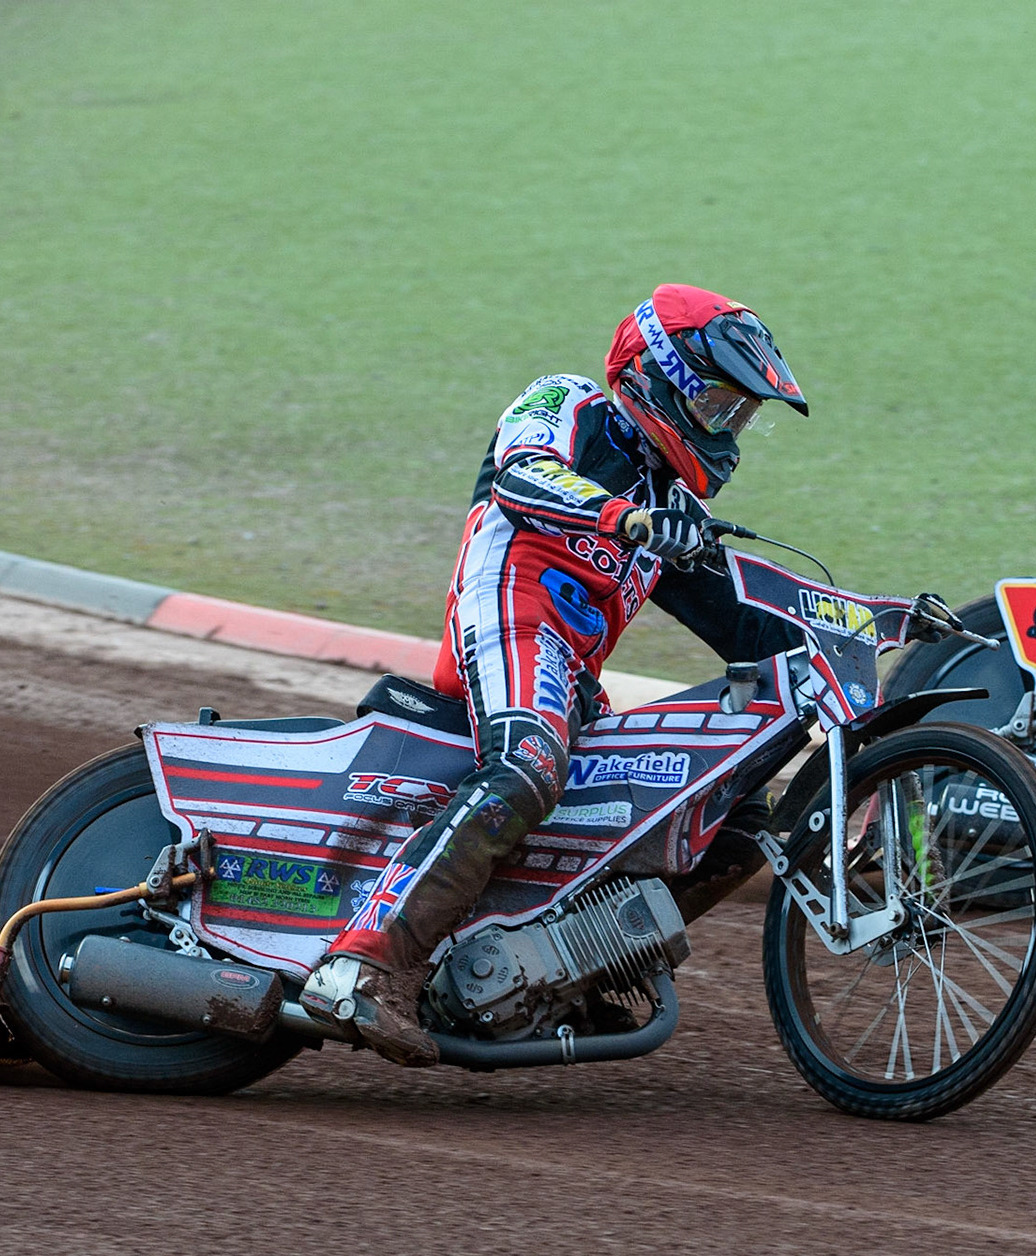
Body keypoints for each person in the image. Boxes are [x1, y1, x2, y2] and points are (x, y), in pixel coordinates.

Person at [302, 284, 811, 1064]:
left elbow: (753, 624)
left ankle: (575, 966)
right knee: (528, 767)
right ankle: (362, 964)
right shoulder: (567, 402)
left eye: (738, 415)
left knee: (735, 816)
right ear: (657, 377)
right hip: (507, 616)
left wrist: (882, 628)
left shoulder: (672, 510)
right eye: (716, 405)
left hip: (574, 678)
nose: (726, 429)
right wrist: (625, 519)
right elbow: (522, 476)